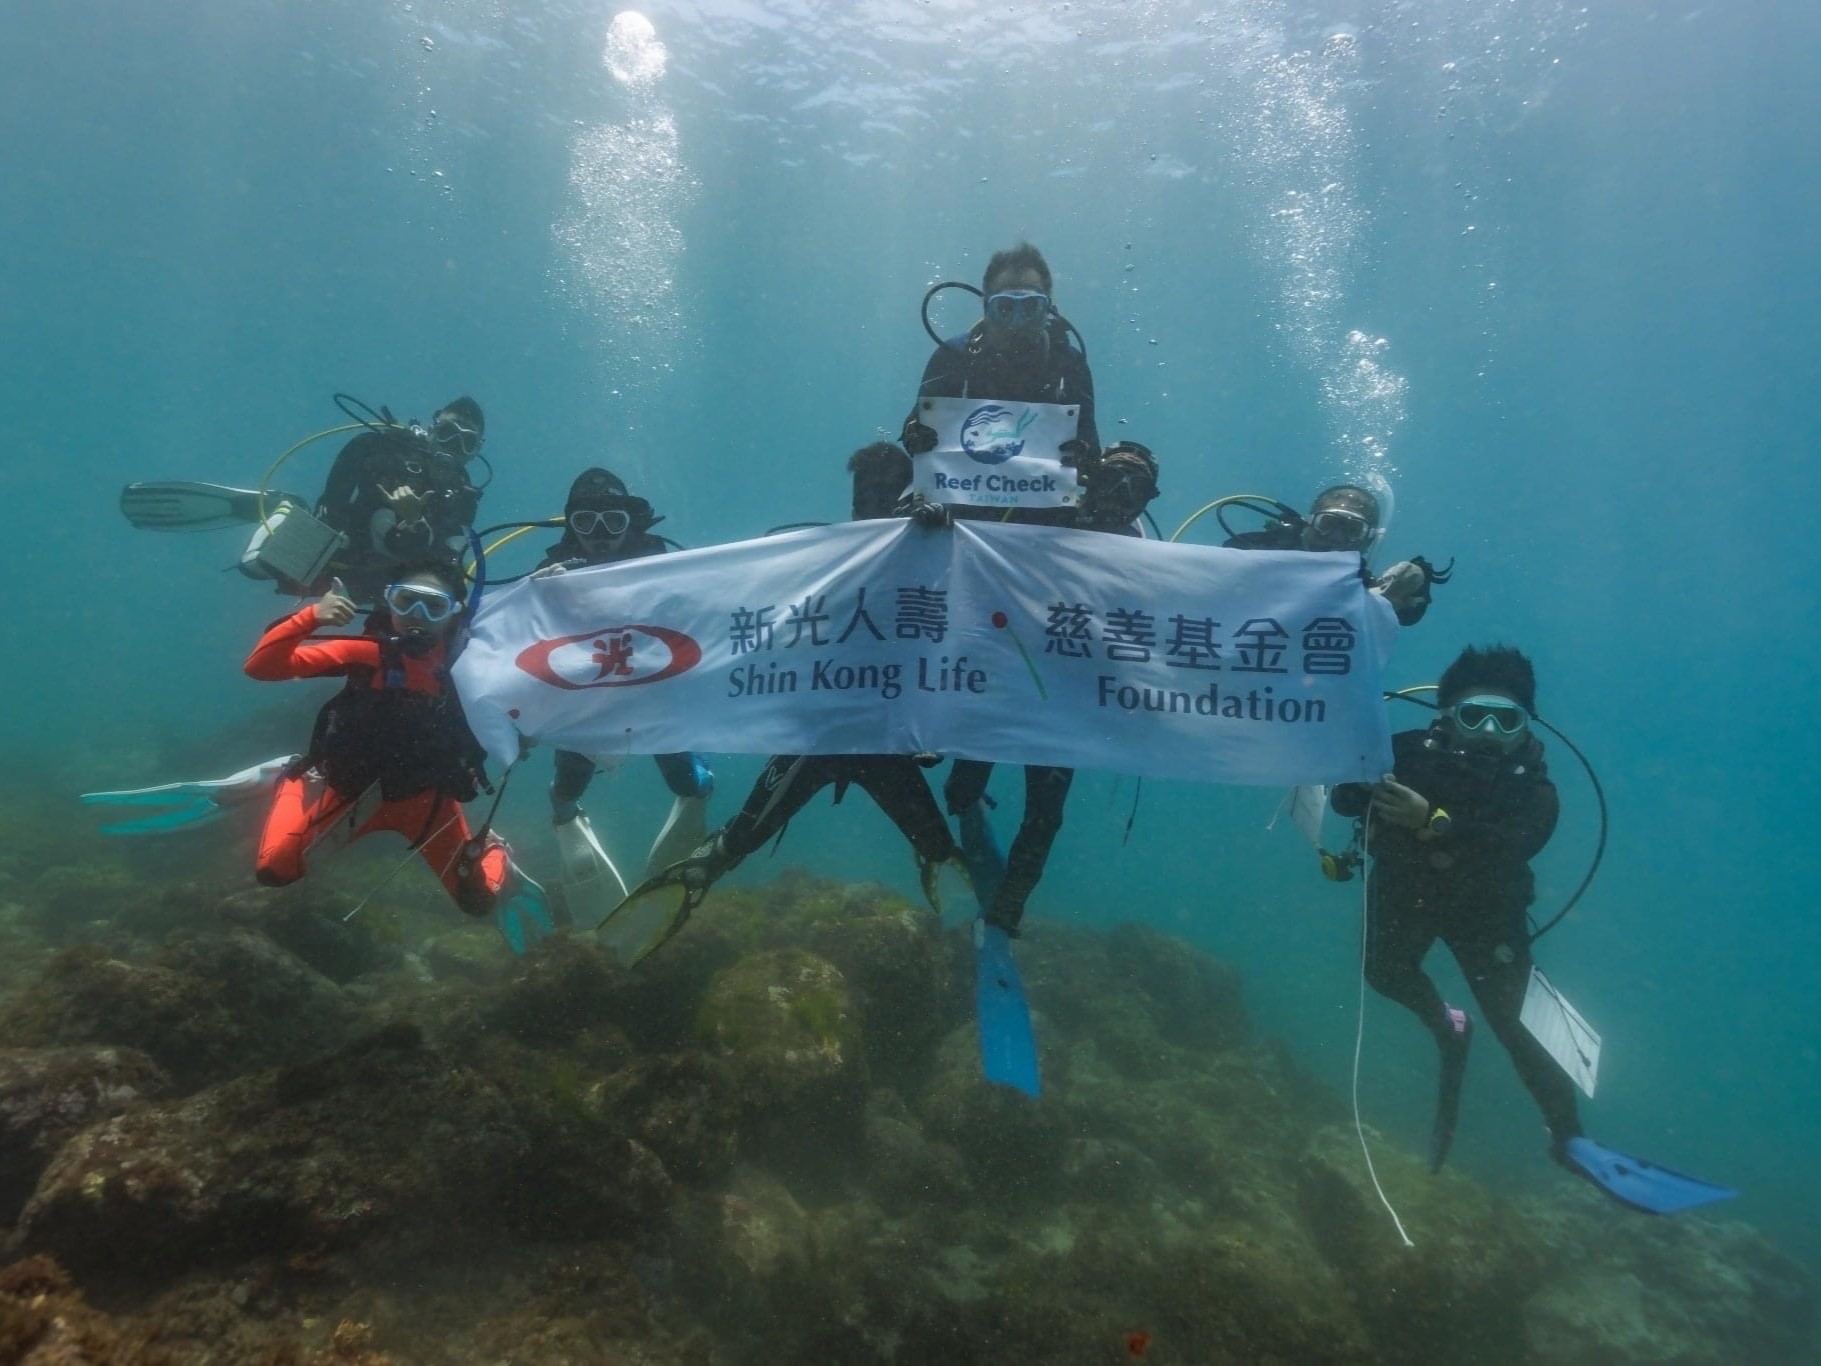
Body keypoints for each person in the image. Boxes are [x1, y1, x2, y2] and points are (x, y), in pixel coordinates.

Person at [601, 442, 961, 963]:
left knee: (939, 848)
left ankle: (969, 917)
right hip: (816, 738)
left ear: (909, 493)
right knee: (732, 846)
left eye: (886, 493)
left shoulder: (938, 553)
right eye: (864, 495)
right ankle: (676, 895)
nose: (872, 507)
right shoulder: (812, 556)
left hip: (887, 742)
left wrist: (943, 543)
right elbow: (741, 590)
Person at [1333, 645, 1573, 1176]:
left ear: (1525, 728)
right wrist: (1356, 772)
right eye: (1474, 715)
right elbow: (1343, 799)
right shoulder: (1407, 754)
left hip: (1486, 912)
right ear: (1447, 717)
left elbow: (1512, 845)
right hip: (1406, 893)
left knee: (1516, 1025)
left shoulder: (1535, 792)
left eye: (1505, 720)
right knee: (1383, 971)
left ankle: (1570, 1135)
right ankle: (1447, 1024)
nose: (1488, 731)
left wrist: (1432, 820)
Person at [942, 441, 1163, 936]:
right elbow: (973, 537)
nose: (1121, 494)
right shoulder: (1041, 511)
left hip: (1068, 699)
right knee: (962, 785)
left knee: (1046, 814)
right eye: (1112, 479)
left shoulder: (1146, 558)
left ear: (1150, 498)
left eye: (1136, 486)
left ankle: (1009, 907)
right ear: (1090, 478)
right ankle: (967, 807)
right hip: (1006, 680)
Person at [245, 557, 510, 915]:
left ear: (455, 614)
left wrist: (548, 590)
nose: (417, 615)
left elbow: (543, 667)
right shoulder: (368, 653)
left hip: (427, 802)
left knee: (478, 903)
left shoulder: (471, 666)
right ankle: (292, 780)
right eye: (406, 601)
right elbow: (262, 667)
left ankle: (495, 849)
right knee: (274, 872)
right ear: (389, 603)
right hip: (352, 796)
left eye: (434, 606)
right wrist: (310, 616)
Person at [537, 468, 714, 875]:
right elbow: (522, 644)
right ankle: (565, 817)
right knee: (567, 786)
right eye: (585, 522)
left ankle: (702, 787)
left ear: (630, 523)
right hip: (587, 700)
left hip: (651, 696)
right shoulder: (551, 573)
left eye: (613, 522)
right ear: (571, 527)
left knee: (684, 781)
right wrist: (538, 595)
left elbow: (699, 617)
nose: (599, 534)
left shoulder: (661, 565)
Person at [901, 242, 1098, 526]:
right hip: (957, 509)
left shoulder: (1069, 364)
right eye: (1005, 308)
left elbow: (1090, 449)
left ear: (1049, 310)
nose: (1017, 322)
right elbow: (914, 434)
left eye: (1031, 307)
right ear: (986, 307)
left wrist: (1082, 458)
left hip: (1043, 513)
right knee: (878, 462)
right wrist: (915, 433)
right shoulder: (953, 356)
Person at [313, 397, 488, 601]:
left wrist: (414, 522)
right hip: (342, 562)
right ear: (433, 428)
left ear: (477, 450)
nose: (455, 446)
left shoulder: (463, 500)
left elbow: (446, 559)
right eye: (448, 433)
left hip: (395, 588)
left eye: (467, 442)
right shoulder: (385, 452)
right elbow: (333, 503)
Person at [1223, 482, 1444, 626]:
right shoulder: (1256, 549)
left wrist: (1414, 583)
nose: (1336, 538)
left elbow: (1408, 615)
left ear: (1368, 542)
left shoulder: (1365, 589)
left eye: (1352, 530)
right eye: (1327, 523)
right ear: (1307, 523)